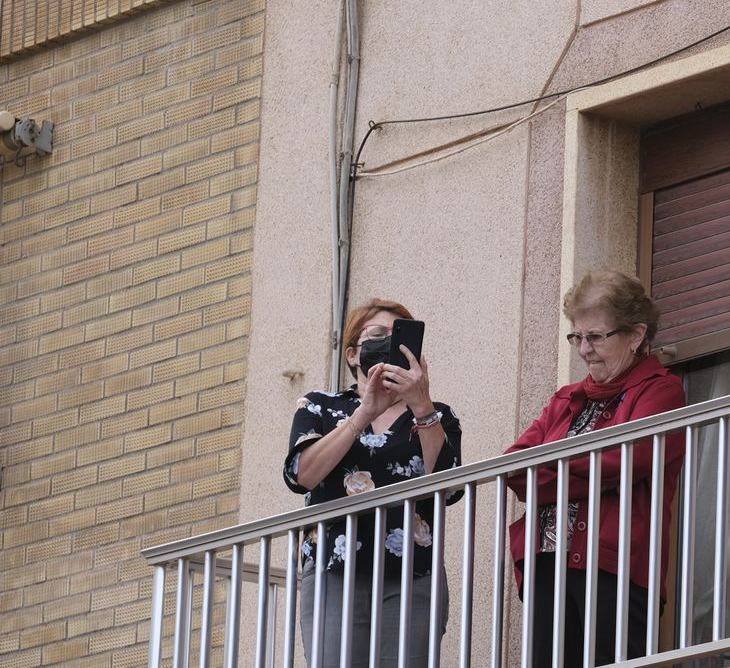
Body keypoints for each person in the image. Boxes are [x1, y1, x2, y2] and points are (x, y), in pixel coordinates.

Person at [505, 271, 686, 667]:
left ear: (636, 335)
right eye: (577, 337)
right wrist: (593, 474)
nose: (584, 350)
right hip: (546, 562)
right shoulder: (566, 398)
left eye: (596, 337)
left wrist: (552, 467)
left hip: (615, 567)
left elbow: (629, 459)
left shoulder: (661, 390)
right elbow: (517, 468)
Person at [283, 298, 463, 668]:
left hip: (413, 571)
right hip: (334, 567)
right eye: (377, 334)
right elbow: (302, 474)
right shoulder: (320, 406)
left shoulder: (437, 414)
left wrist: (422, 406)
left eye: (399, 336)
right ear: (352, 354)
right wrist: (364, 412)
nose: (388, 343)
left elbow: (450, 486)